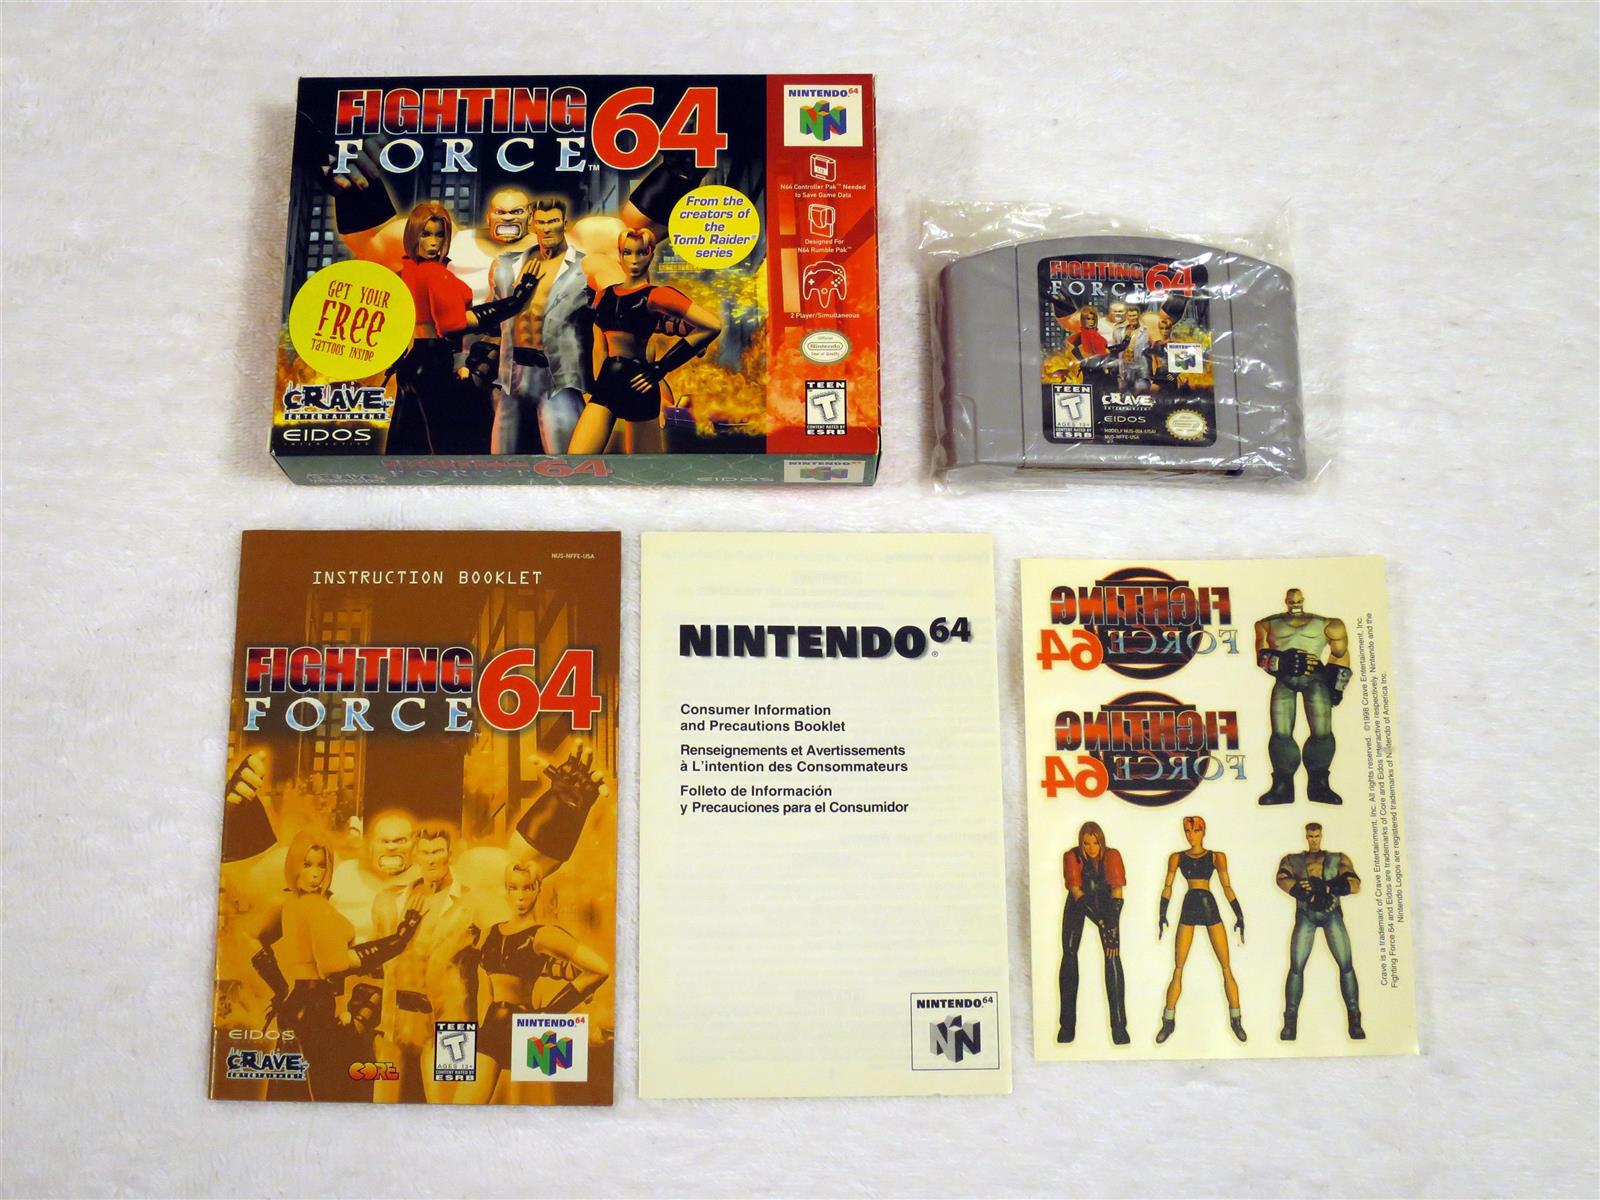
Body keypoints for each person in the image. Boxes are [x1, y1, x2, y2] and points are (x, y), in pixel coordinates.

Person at [274, 830, 421, 1099]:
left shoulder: (292, 903)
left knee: (295, 1095)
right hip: (315, 1007)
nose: (315, 874)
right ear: (294, 866)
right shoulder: (315, 906)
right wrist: (398, 940)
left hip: (297, 1002)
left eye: (321, 865)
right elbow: (334, 965)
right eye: (307, 865)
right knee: (328, 1094)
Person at [388, 203, 536, 454]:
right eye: (425, 234)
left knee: (408, 446)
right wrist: (513, 303)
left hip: (412, 362)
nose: (433, 243)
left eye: (439, 235)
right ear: (413, 236)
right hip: (434, 362)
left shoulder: (409, 270)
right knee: (448, 448)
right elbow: (453, 325)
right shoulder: (435, 274)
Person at [460, 861, 611, 1102]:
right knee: (464, 1105)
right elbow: (480, 991)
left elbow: (600, 969)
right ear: (506, 889)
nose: (520, 896)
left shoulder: (545, 934)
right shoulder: (488, 933)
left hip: (529, 1030)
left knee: (536, 1106)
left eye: (528, 888)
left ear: (538, 889)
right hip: (492, 1028)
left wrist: (550, 1013)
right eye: (514, 888)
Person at [567, 228, 722, 456]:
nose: (634, 260)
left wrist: (662, 367)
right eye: (627, 252)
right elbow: (600, 347)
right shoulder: (603, 295)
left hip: (640, 385)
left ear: (650, 254)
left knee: (644, 469)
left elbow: (712, 326)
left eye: (641, 253)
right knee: (576, 460)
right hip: (608, 384)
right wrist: (595, 386)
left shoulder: (658, 295)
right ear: (620, 254)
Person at [484, 196, 593, 455]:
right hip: (513, 375)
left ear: (565, 223)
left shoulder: (585, 267)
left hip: (556, 377)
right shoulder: (506, 265)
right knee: (501, 461)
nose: (546, 228)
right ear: (532, 225)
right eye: (541, 222)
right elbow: (492, 320)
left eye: (553, 221)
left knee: (566, 462)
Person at [1255, 588, 1353, 805]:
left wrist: (1337, 684)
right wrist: (1281, 662)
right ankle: (1282, 786)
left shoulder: (1327, 624)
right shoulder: (1266, 624)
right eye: (1292, 601)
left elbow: (1340, 653)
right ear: (1286, 601)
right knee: (1281, 733)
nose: (1295, 604)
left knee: (1322, 732)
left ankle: (1319, 785)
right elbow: (1261, 657)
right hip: (1285, 679)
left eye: (1298, 600)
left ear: (1303, 600)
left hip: (1315, 679)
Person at [1157, 815, 1246, 1044]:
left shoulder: (1217, 857)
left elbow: (1227, 887)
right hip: (1190, 905)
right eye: (1187, 831)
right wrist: (1162, 913)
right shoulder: (1177, 857)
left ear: (1203, 831)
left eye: (1195, 830)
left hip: (1208, 905)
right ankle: (1168, 1021)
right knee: (1178, 967)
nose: (1191, 835)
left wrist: (1239, 914)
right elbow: (1167, 886)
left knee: (1226, 967)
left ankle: (1236, 1020)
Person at [1276, 823, 1364, 1041]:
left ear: (1321, 835)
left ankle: (1355, 1020)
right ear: (1306, 836)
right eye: (1310, 836)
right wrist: (1306, 894)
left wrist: (1328, 888)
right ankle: (1290, 1023)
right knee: (1296, 967)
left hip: (1331, 913)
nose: (1314, 839)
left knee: (1346, 965)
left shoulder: (1338, 858)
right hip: (1306, 913)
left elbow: (1355, 884)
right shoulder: (1292, 859)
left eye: (1316, 835)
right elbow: (1281, 879)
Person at [1057, 821, 1128, 1045]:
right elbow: (1076, 891)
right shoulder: (1072, 857)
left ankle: (1119, 1026)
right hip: (1079, 902)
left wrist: (1111, 925)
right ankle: (1067, 1025)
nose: (1091, 848)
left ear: (1101, 841)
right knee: (1069, 953)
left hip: (1106, 902)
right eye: (1086, 843)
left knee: (1112, 953)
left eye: (1095, 843)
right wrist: (1099, 920)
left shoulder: (1112, 856)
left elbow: (1117, 891)